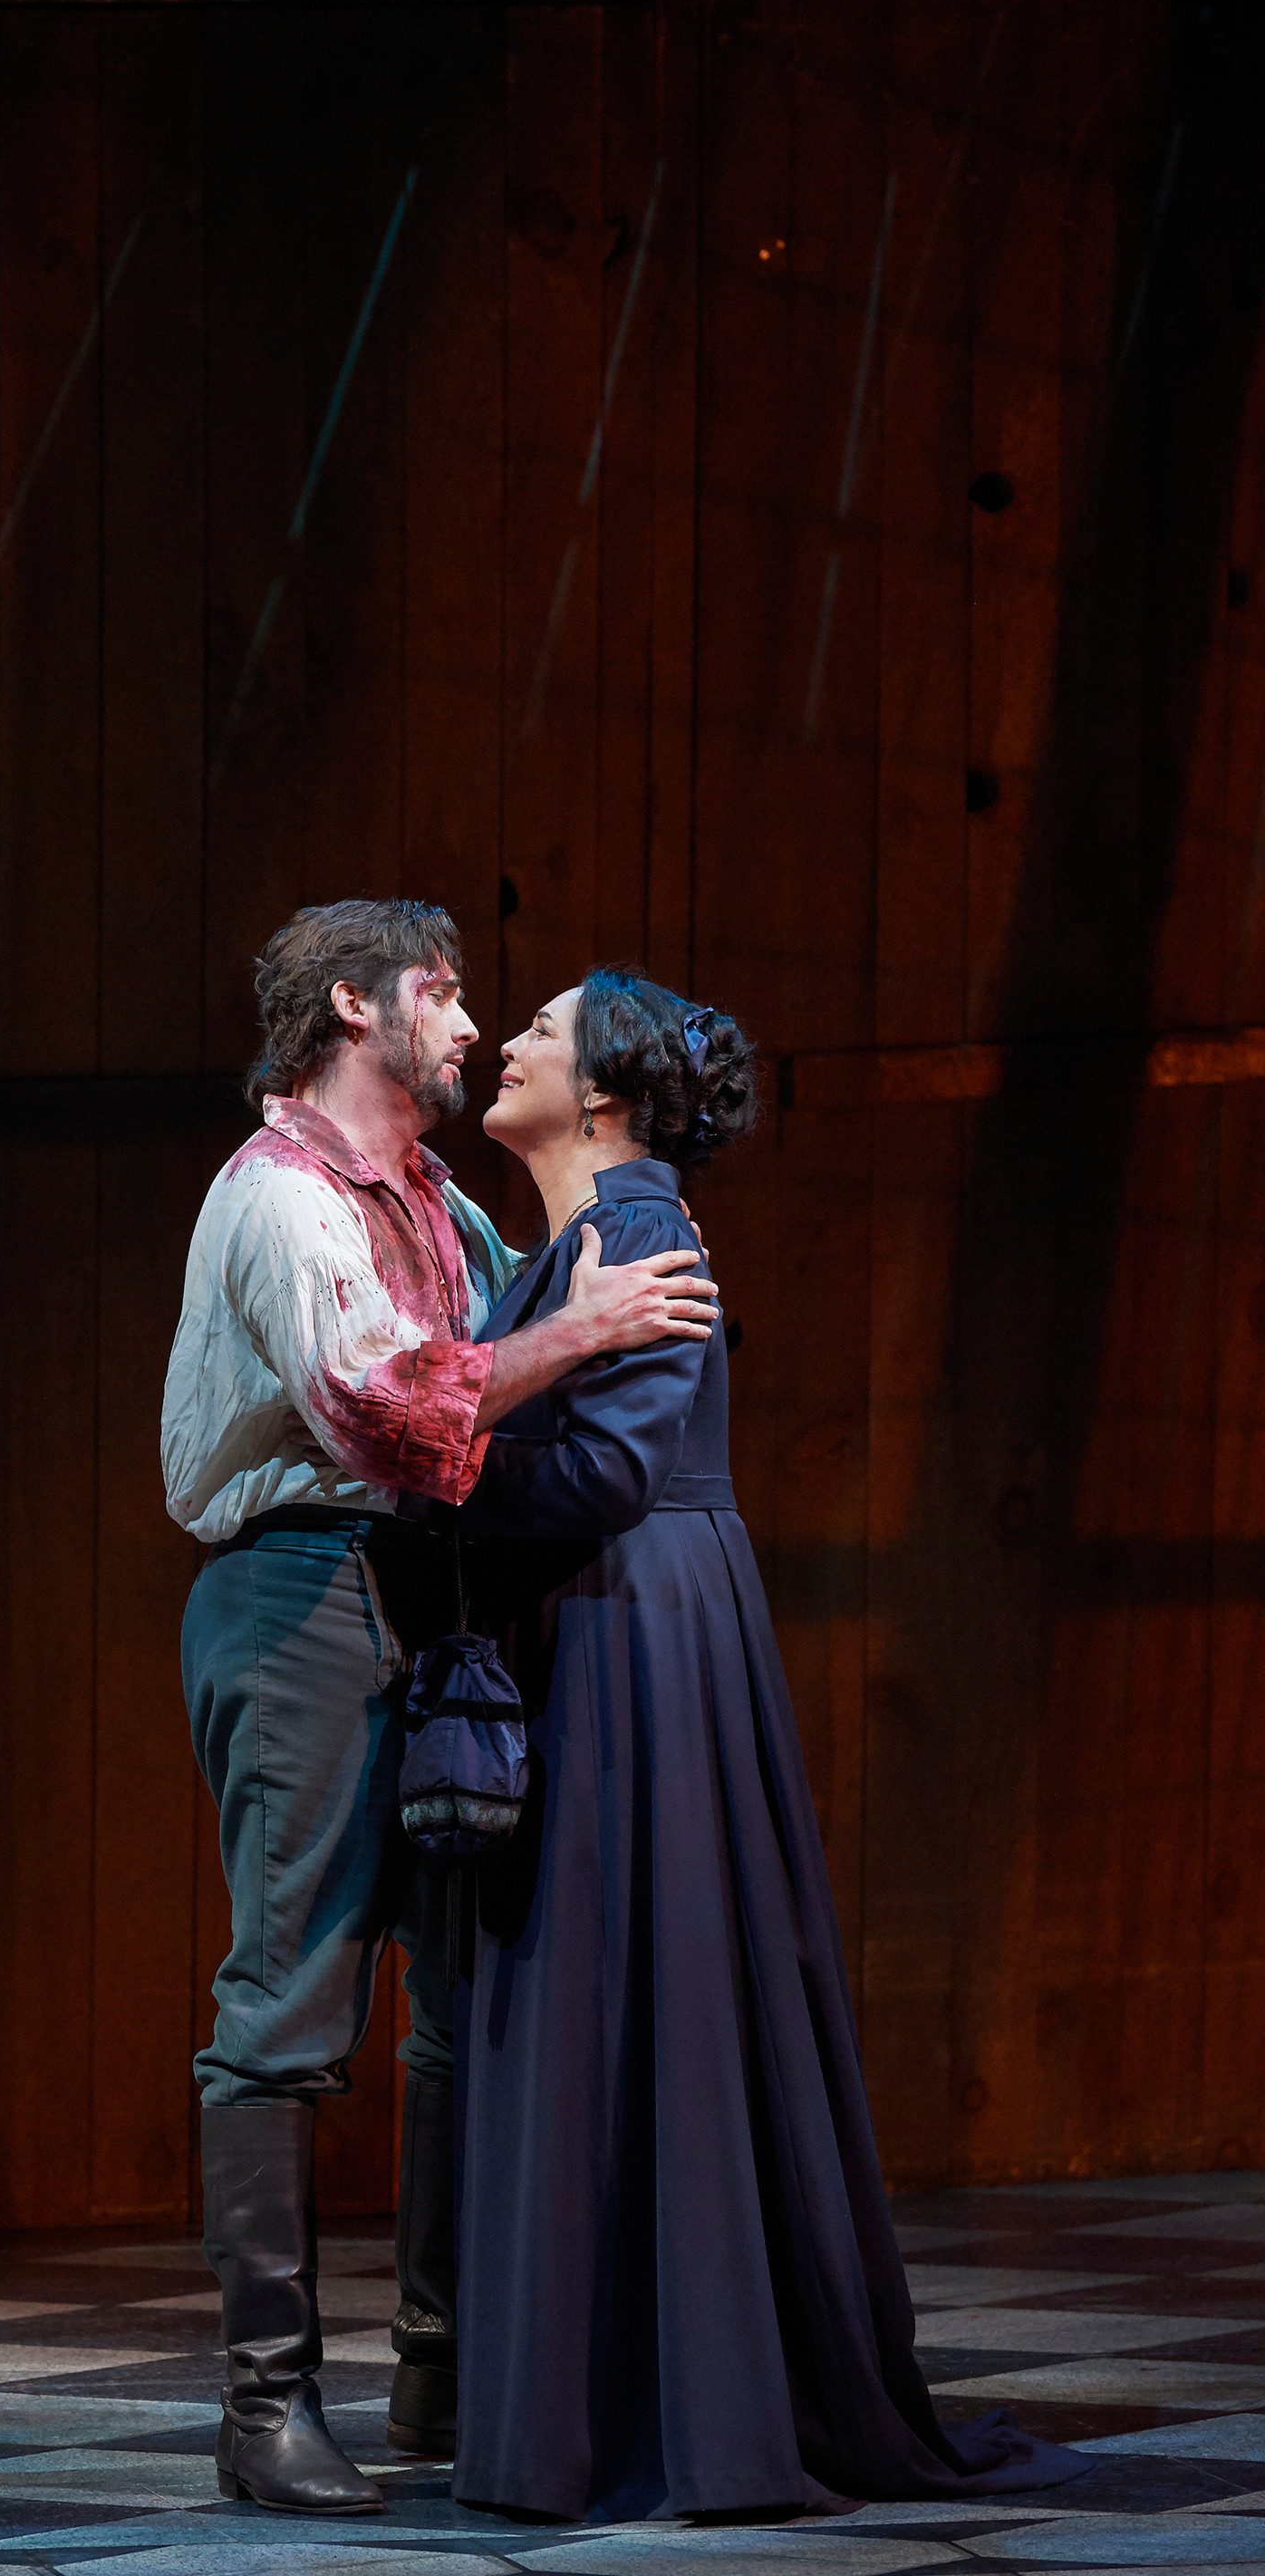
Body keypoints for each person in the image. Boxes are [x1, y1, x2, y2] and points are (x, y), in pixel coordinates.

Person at [422, 966, 1086, 2523]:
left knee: (641, 1992)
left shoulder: (636, 1228)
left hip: (634, 1628)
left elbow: (603, 1474)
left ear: (599, 1095)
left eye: (541, 1029)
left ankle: (682, 2410)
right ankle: (596, 2404)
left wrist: (420, 1496)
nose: (509, 1041)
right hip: (603, 1620)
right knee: (605, 1997)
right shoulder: (573, 1243)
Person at [160, 902, 719, 2518]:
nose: (469, 1025)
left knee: (463, 1999)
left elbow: (499, 1365)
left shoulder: (433, 1201)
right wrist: (590, 1327)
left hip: (428, 1591)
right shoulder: (279, 1200)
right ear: (356, 1005)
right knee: (292, 1999)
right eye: (444, 992)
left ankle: (443, 2364)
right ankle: (265, 2411)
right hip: (304, 1587)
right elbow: (392, 1409)